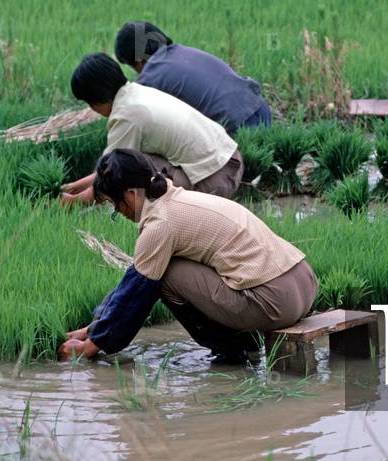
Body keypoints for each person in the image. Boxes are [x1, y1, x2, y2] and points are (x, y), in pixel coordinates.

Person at [58, 149, 318, 364]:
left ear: (130, 194)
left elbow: (136, 291)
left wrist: (92, 345)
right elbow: (132, 281)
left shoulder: (161, 223)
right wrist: (96, 328)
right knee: (156, 271)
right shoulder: (181, 199)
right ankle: (243, 344)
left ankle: (234, 350)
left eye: (116, 206)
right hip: (303, 284)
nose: (119, 212)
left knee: (164, 276)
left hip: (274, 302)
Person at [60, 53, 243, 206]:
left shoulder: (127, 116)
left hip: (214, 179)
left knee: (130, 173)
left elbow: (110, 176)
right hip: (230, 160)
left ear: (96, 100)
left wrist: (73, 201)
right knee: (135, 161)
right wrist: (75, 187)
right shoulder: (136, 92)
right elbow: (105, 168)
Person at [114, 21, 271, 135]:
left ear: (138, 60)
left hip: (238, 125)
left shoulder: (150, 77)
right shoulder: (180, 51)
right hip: (259, 108)